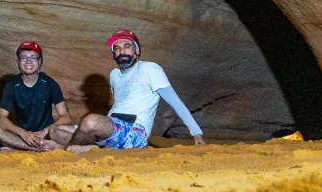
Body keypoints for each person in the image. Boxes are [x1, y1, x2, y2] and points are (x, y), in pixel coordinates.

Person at [52, 29, 207, 152]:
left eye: (127, 46)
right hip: (111, 128)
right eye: (117, 48)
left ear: (136, 51)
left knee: (91, 120)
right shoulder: (115, 75)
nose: (122, 51)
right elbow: (119, 105)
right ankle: (91, 147)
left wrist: (196, 133)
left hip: (135, 131)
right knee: (56, 131)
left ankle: (68, 149)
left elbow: (176, 102)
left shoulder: (149, 69)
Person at [0, 41, 73, 151]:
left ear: (40, 61)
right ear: (18, 62)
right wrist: (23, 133)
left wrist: (45, 131)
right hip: (23, 136)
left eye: (33, 58)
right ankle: (40, 148)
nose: (28, 61)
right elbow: (1, 118)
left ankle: (20, 148)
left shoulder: (49, 83)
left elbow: (65, 116)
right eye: (24, 58)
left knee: (61, 131)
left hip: (47, 134)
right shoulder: (12, 86)